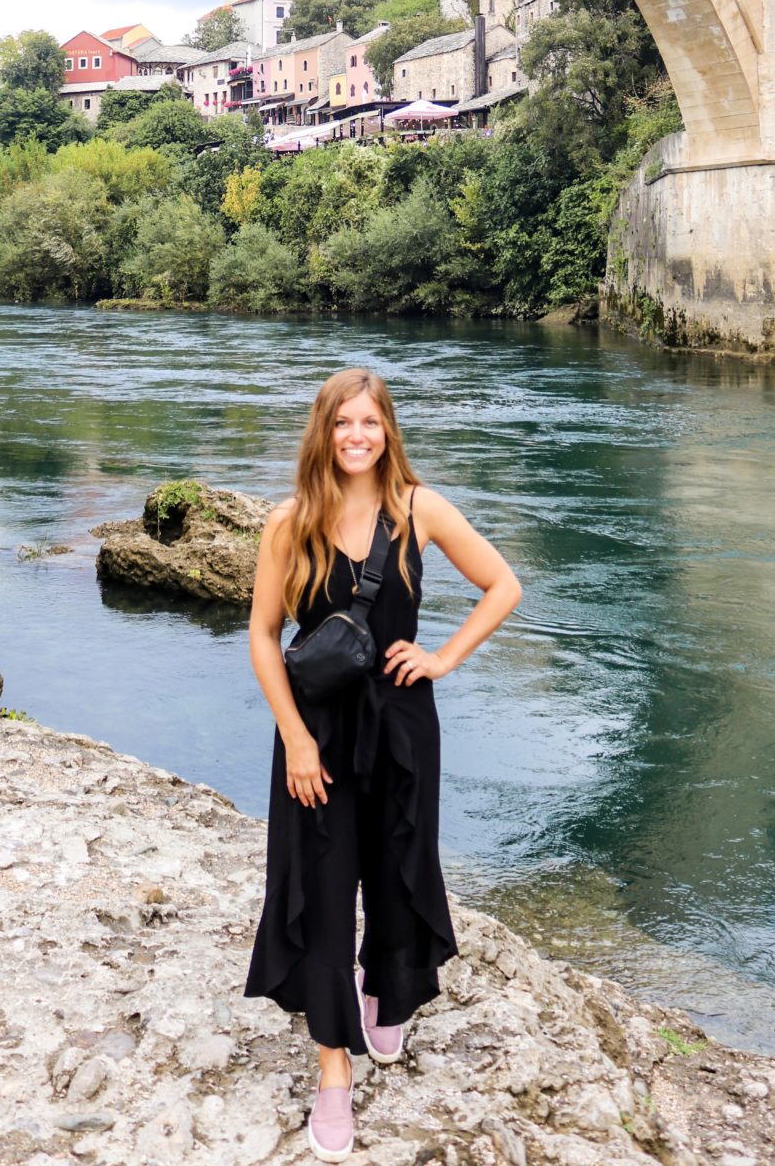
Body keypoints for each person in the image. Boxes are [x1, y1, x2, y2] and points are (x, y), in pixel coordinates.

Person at [245, 368, 522, 1161]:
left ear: (387, 430)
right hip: (317, 734)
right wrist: (295, 739)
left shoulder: (418, 509)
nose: (356, 437)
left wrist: (441, 658)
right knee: (324, 890)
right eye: (342, 424)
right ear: (323, 433)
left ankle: (387, 993)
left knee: (401, 867)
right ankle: (335, 1073)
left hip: (401, 722)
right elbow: (265, 635)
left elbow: (503, 584)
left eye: (369, 422)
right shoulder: (288, 522)